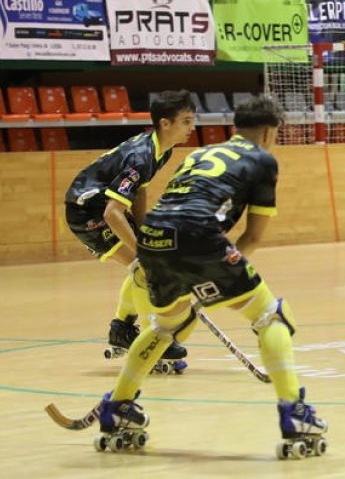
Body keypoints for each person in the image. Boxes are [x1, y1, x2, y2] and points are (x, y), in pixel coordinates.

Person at [94, 95, 327, 459]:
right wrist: (220, 276)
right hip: (200, 235)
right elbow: (253, 236)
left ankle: (119, 406)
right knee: (271, 315)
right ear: (268, 132)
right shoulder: (263, 160)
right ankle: (295, 413)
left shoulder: (199, 153)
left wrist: (205, 279)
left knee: (163, 327)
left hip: (152, 239)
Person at [64, 90, 197, 368]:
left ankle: (122, 329)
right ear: (165, 123)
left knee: (143, 262)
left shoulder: (161, 149)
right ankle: (154, 339)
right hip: (88, 213)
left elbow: (139, 189)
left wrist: (143, 229)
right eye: (186, 121)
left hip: (104, 207)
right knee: (141, 268)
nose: (192, 128)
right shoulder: (141, 155)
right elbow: (112, 212)